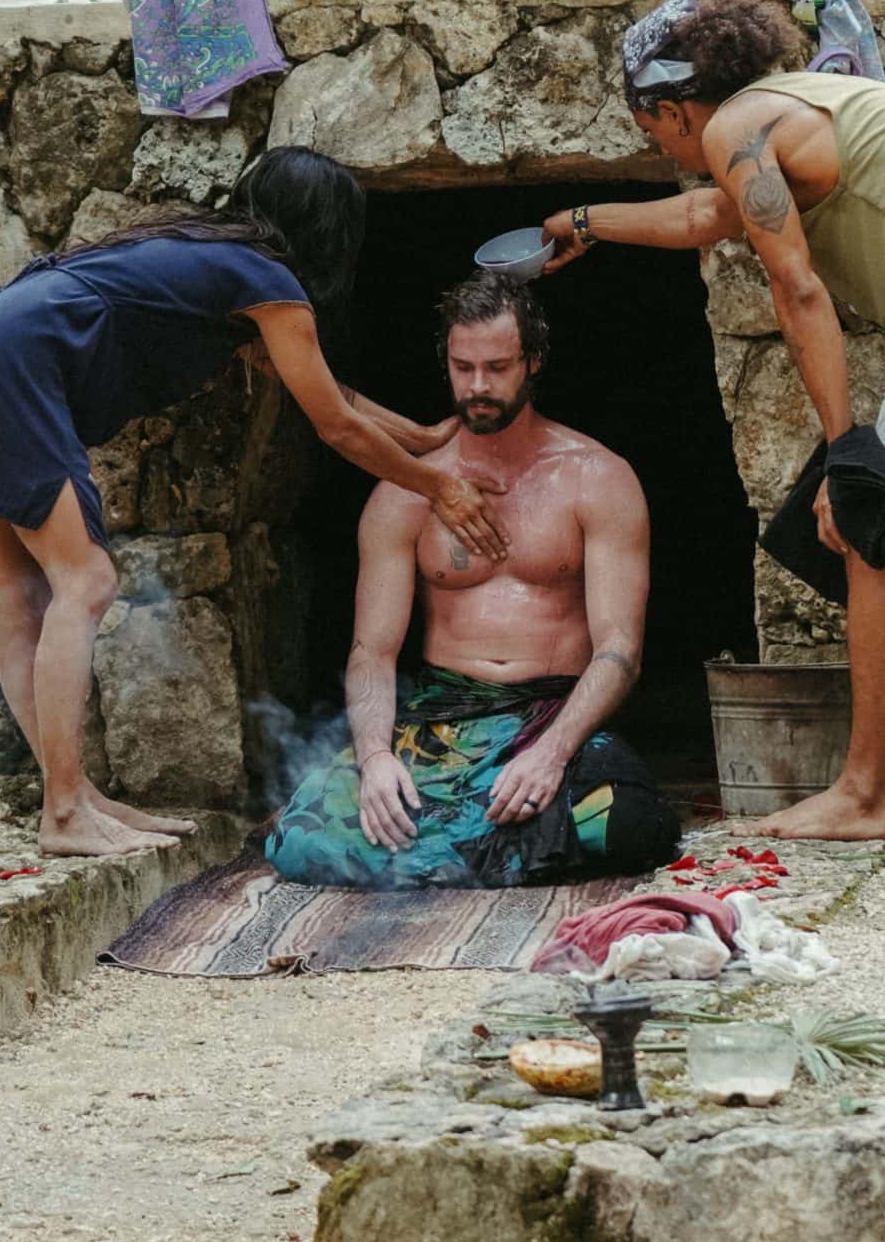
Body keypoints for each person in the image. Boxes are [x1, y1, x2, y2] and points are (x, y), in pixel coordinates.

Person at [540, 0, 885, 843]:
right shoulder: (788, 105)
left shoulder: (734, 129)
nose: (667, 149)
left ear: (676, 109)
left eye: (654, 133)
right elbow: (708, 214)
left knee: (868, 521)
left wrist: (845, 451)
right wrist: (585, 221)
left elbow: (796, 287)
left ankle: (865, 792)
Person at [0, 147, 506, 859]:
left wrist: (424, 437)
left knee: (23, 593)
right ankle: (64, 810)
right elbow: (335, 427)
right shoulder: (268, 280)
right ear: (328, 229)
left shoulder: (220, 261)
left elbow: (328, 394)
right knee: (85, 581)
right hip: (16, 365)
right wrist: (438, 486)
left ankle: (72, 795)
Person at [265, 271, 680, 888]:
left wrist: (552, 753)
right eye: (463, 368)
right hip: (440, 721)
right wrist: (375, 759)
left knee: (627, 823)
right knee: (296, 837)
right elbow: (372, 651)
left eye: (497, 367)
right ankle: (486, 845)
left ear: (534, 361)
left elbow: (620, 650)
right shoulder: (404, 492)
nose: (478, 386)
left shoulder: (598, 478)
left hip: (552, 713)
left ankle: (443, 849)